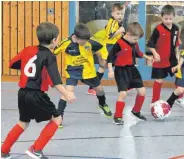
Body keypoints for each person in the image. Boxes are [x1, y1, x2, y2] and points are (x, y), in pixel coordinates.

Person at [1, 22, 76, 159]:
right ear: (54, 40)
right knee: (57, 119)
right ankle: (36, 149)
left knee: (23, 122)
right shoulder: (49, 56)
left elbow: (12, 63)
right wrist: (67, 94)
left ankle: (3, 151)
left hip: (22, 93)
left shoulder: (28, 49)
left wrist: (27, 67)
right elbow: (56, 81)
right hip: (37, 95)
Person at [54, 23, 112, 128]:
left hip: (88, 71)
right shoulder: (65, 43)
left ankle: (102, 104)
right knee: (67, 92)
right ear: (75, 37)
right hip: (72, 71)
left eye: (86, 41)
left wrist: (101, 61)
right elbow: (54, 52)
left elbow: (100, 49)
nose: (85, 43)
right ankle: (59, 117)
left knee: (100, 90)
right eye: (83, 41)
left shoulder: (89, 42)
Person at [108, 22, 154, 125]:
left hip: (132, 69)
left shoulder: (134, 43)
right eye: (135, 39)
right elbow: (110, 58)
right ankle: (118, 116)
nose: (136, 41)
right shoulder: (119, 44)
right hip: (121, 71)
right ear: (128, 35)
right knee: (123, 93)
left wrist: (147, 57)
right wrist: (110, 70)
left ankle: (136, 111)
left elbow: (138, 53)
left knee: (142, 91)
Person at [147, 5, 184, 107]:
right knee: (159, 80)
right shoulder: (158, 29)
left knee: (179, 77)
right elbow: (150, 45)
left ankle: (180, 98)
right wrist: (155, 54)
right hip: (160, 60)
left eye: (170, 18)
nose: (168, 21)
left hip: (172, 59)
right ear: (162, 17)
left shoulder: (175, 28)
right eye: (166, 18)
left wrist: (178, 59)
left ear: (174, 17)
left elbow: (176, 45)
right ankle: (154, 101)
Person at [87, 3, 126, 95]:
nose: (120, 16)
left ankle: (92, 88)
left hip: (109, 46)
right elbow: (110, 36)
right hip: (107, 46)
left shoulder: (117, 22)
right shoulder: (112, 23)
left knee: (103, 69)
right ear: (112, 14)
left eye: (121, 14)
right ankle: (92, 87)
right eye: (118, 13)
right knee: (105, 67)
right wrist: (120, 31)